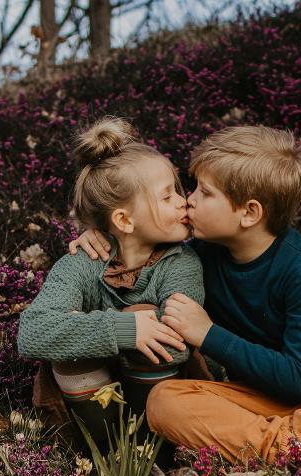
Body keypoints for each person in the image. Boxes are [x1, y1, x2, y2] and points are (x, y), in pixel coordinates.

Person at [69, 125, 301, 465]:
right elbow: (138, 243)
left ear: (249, 213)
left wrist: (208, 333)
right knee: (164, 402)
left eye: (204, 193)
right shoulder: (199, 257)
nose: (188, 201)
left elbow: (300, 381)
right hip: (251, 400)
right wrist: (100, 236)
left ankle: (279, 447)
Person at [17, 117, 205, 443]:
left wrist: (81, 328)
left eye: (178, 190)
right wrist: (125, 330)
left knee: (142, 322)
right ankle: (110, 455)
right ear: (123, 219)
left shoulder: (181, 263)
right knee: (74, 352)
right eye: (166, 197)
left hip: (165, 418)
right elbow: (32, 333)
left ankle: (151, 453)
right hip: (93, 427)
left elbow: (176, 344)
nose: (182, 201)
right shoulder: (82, 263)